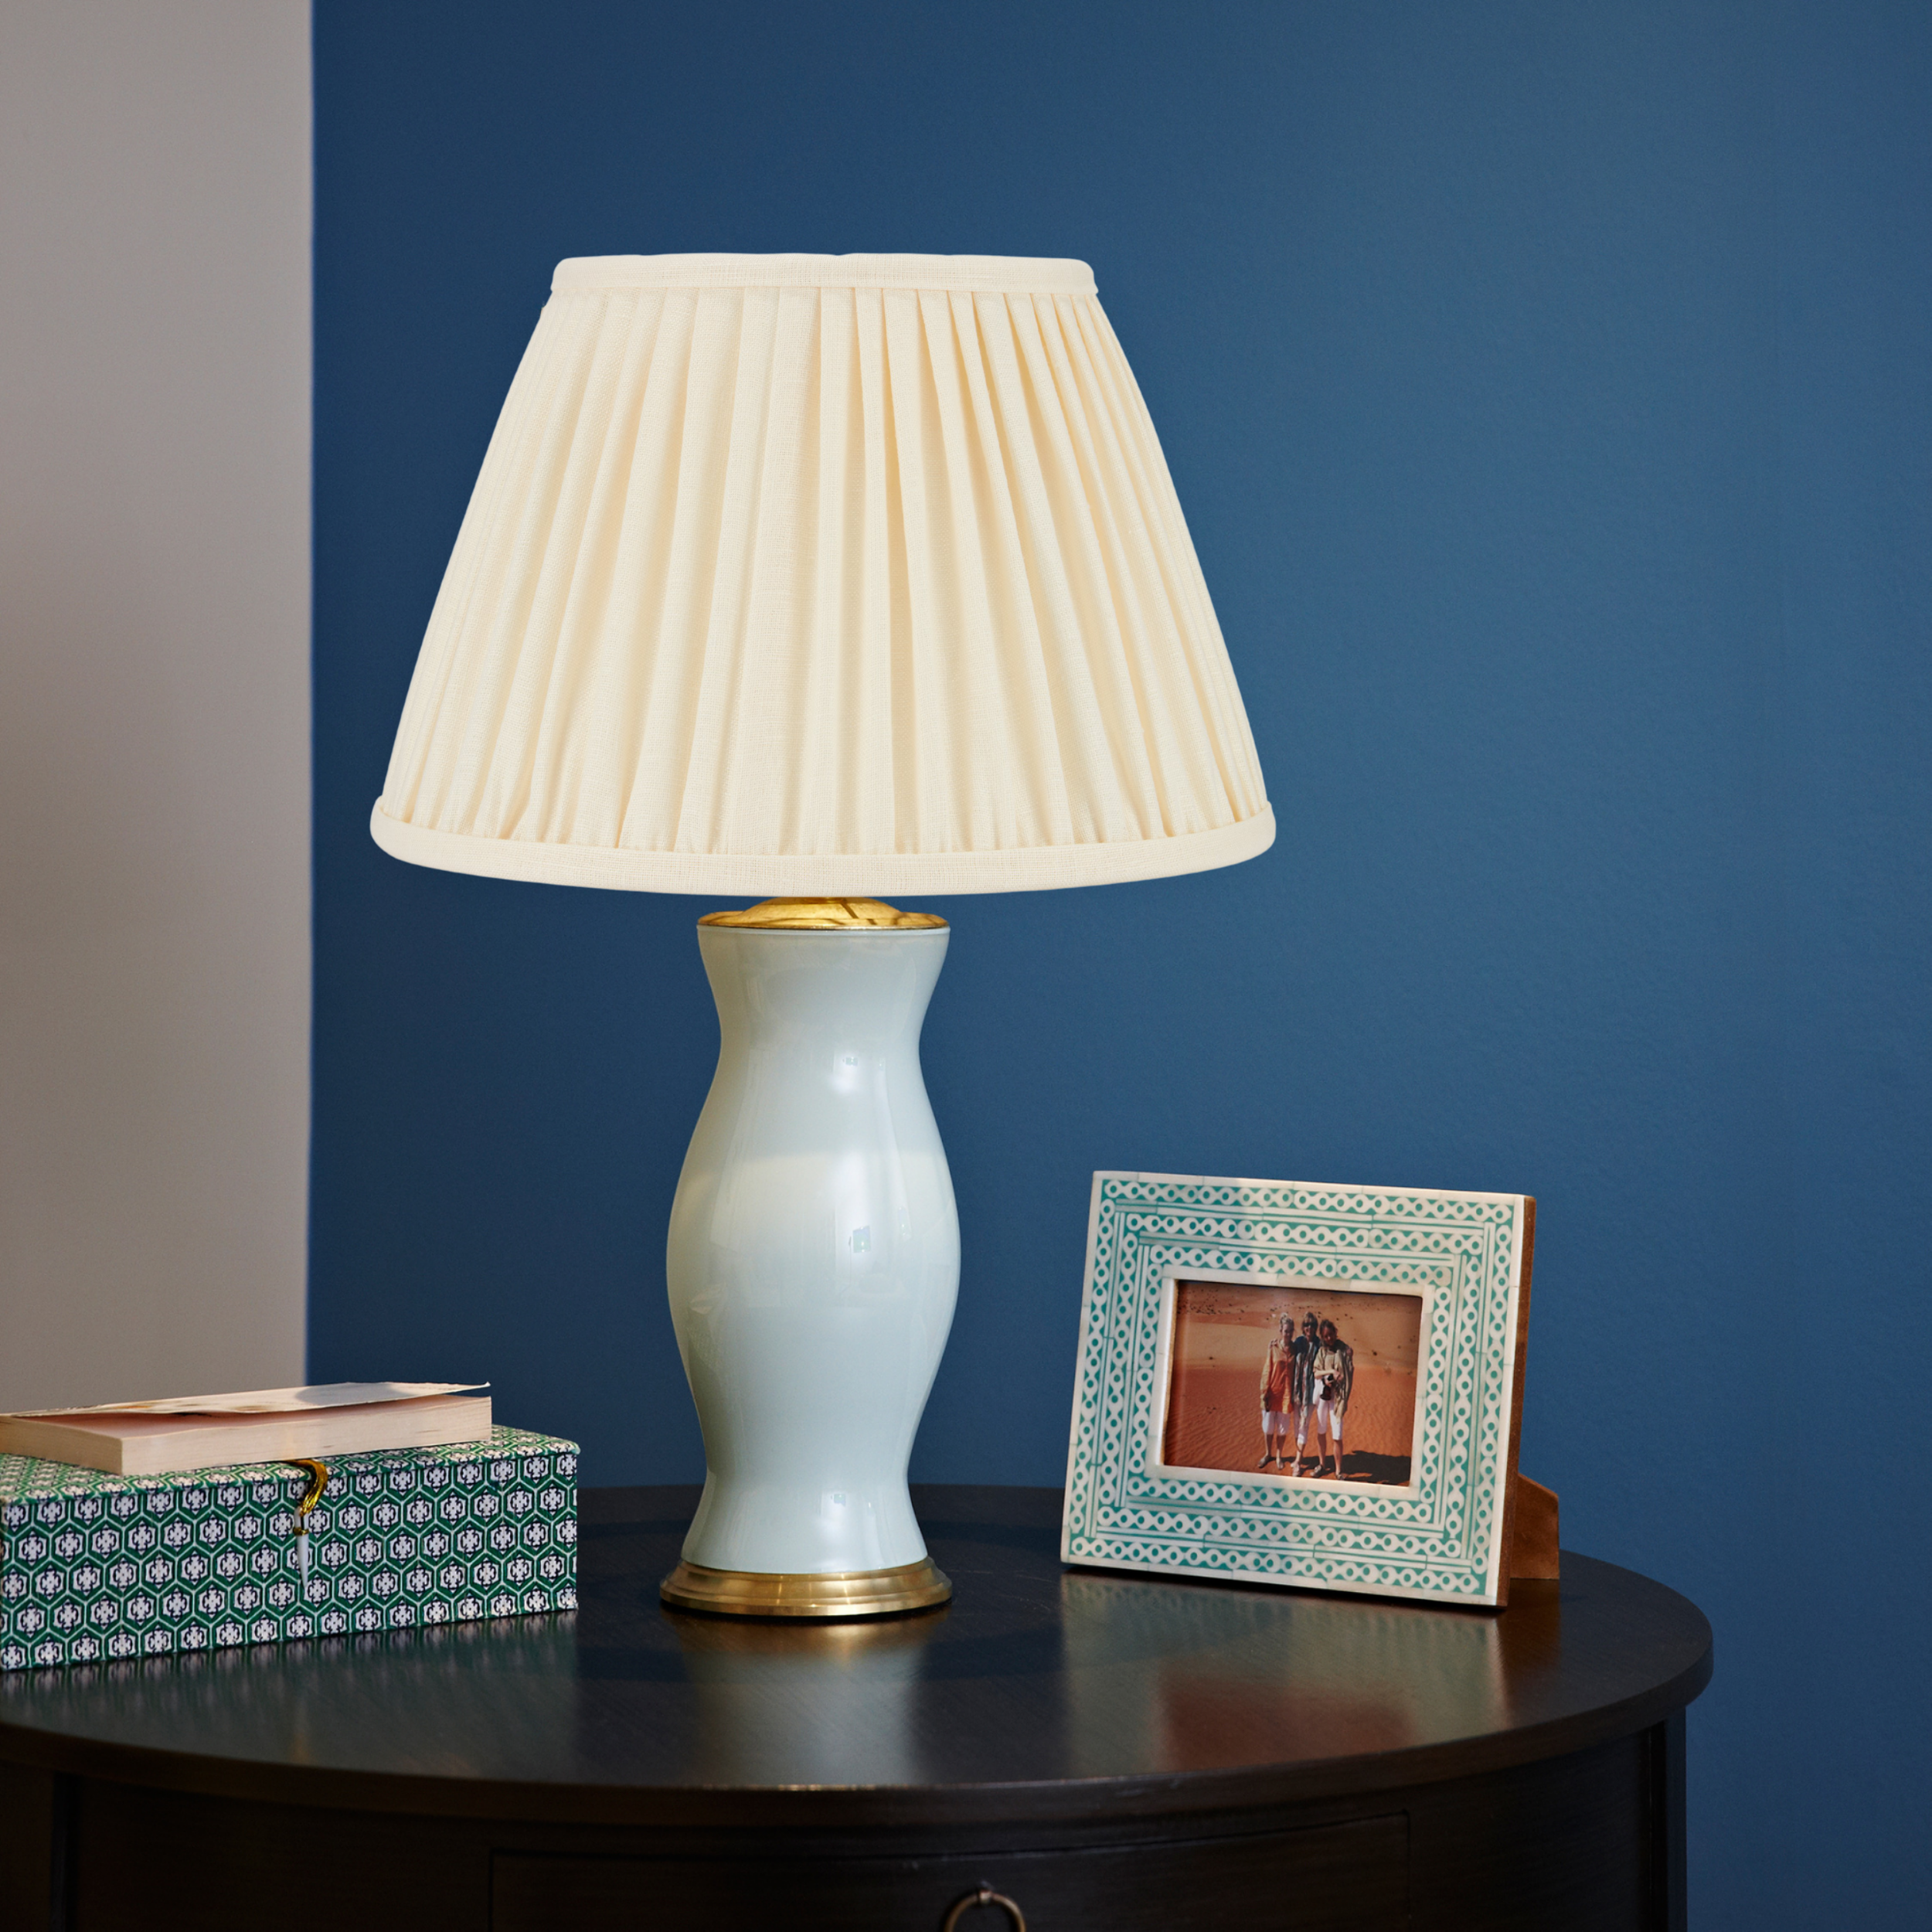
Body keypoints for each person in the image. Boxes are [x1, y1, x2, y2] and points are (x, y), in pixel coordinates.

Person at [1304, 1317, 1354, 1477]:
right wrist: (1330, 1373)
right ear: (1323, 1337)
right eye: (1326, 1336)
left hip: (1338, 1398)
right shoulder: (1322, 1352)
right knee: (1321, 1430)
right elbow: (1316, 1372)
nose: (1329, 1338)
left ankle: (1339, 1471)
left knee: (1337, 1434)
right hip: (1323, 1396)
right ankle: (1322, 1465)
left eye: (1331, 1334)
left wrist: (1350, 1357)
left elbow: (1349, 1369)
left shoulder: (1343, 1349)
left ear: (1335, 1333)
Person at [1257, 1313, 1295, 1468]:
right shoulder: (1273, 1348)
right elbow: (1267, 1370)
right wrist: (1264, 1391)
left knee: (1282, 1429)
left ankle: (1279, 1456)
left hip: (1287, 1396)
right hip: (1272, 1393)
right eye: (1286, 1331)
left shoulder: (1295, 1349)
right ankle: (1268, 1454)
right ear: (1281, 1330)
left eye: (1291, 1331)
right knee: (1268, 1427)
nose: (1288, 1334)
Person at [1287, 1311, 1320, 1475]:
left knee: (1304, 1426)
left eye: (1312, 1325)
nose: (1309, 1328)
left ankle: (1299, 1462)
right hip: (1297, 1393)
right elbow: (1285, 1346)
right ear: (1303, 1327)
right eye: (1307, 1325)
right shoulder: (1299, 1342)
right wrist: (1274, 1343)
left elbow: (1335, 1346)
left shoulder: (1319, 1345)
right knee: (1296, 1426)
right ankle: (1297, 1457)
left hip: (1310, 1395)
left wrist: (1347, 1349)